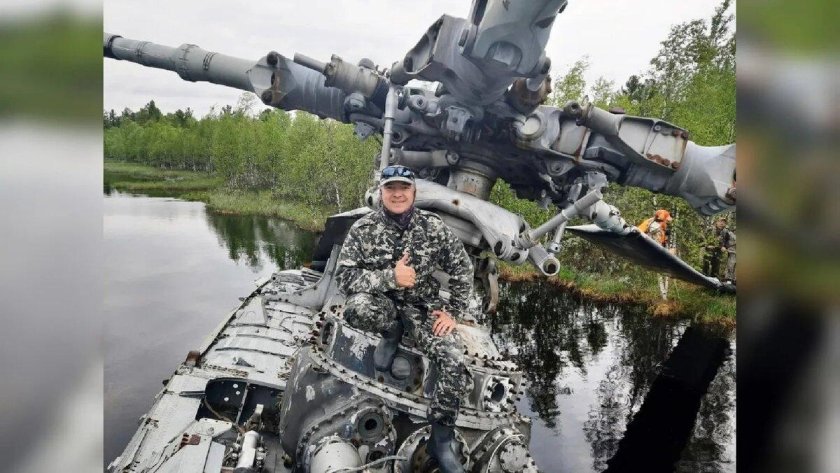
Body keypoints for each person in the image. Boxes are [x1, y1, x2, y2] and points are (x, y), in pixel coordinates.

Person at [334, 165, 473, 473]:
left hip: (422, 308)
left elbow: (462, 268)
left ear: (414, 192)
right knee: (356, 308)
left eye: (403, 188)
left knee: (453, 359)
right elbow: (345, 278)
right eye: (390, 188)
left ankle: (441, 438)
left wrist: (454, 312)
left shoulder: (432, 227)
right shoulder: (363, 229)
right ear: (381, 192)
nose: (397, 194)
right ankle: (391, 332)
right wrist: (391, 277)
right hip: (383, 303)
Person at [638, 209, 674, 299]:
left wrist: (665, 236)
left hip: (656, 244)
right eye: (667, 219)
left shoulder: (661, 223)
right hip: (652, 246)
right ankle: (663, 295)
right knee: (660, 269)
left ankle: (664, 294)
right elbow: (655, 238)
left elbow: (662, 237)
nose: (668, 221)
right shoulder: (656, 224)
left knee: (663, 270)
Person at [702, 217, 736, 282]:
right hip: (709, 250)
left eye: (724, 222)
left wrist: (725, 247)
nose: (722, 224)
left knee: (716, 267)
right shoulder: (710, 229)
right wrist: (707, 245)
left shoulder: (726, 232)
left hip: (718, 251)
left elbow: (728, 241)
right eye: (720, 222)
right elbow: (703, 238)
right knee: (706, 265)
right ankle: (703, 280)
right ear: (716, 222)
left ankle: (713, 282)